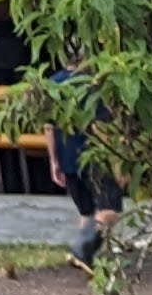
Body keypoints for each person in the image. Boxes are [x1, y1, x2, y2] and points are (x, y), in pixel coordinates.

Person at [45, 61, 124, 273]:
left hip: (66, 157)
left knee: (87, 211)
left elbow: (48, 127)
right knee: (110, 208)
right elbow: (101, 127)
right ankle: (81, 249)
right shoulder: (92, 85)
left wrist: (54, 160)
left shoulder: (53, 83)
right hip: (92, 157)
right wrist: (115, 163)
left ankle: (85, 259)